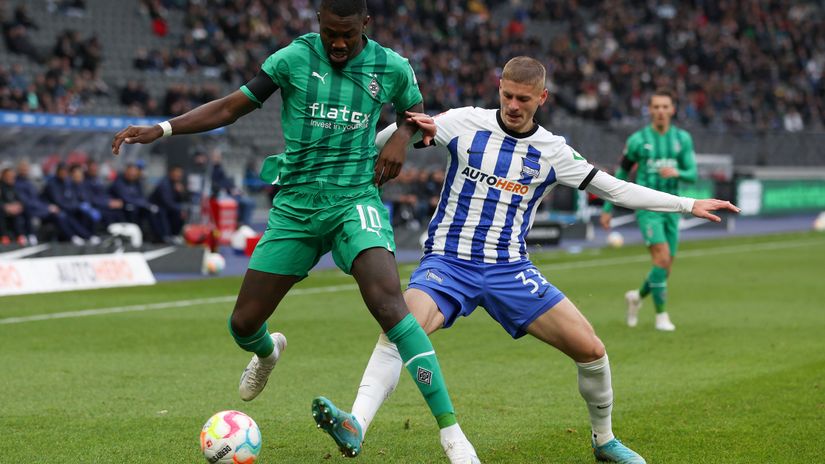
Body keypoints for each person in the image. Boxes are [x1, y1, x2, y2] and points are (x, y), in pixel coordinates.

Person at [110, 1, 478, 462]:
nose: (339, 43)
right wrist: (162, 129)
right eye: (330, 33)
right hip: (295, 208)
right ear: (318, 24)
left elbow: (415, 113)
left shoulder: (392, 66)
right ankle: (267, 352)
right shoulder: (292, 60)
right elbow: (230, 107)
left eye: (347, 34)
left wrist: (403, 137)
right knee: (243, 324)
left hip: (354, 201)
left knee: (390, 305)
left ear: (365, 25)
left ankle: (452, 434)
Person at [331, 57, 739, 464]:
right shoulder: (464, 122)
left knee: (592, 350)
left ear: (541, 98)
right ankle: (356, 424)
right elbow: (402, 130)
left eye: (523, 98)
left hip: (511, 270)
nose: (513, 104)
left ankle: (604, 440)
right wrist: (374, 146)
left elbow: (614, 189)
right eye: (507, 95)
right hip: (448, 264)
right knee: (399, 331)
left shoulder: (553, 151)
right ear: (499, 90)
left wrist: (688, 204)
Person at [600, 89, 697, 331]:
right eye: (656, 107)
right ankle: (661, 317)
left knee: (665, 266)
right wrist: (607, 206)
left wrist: (678, 172)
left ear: (673, 110)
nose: (661, 111)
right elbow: (620, 174)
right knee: (662, 259)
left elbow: (692, 174)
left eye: (665, 107)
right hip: (646, 208)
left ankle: (636, 297)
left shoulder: (682, 139)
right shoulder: (637, 140)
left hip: (673, 208)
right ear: (650, 110)